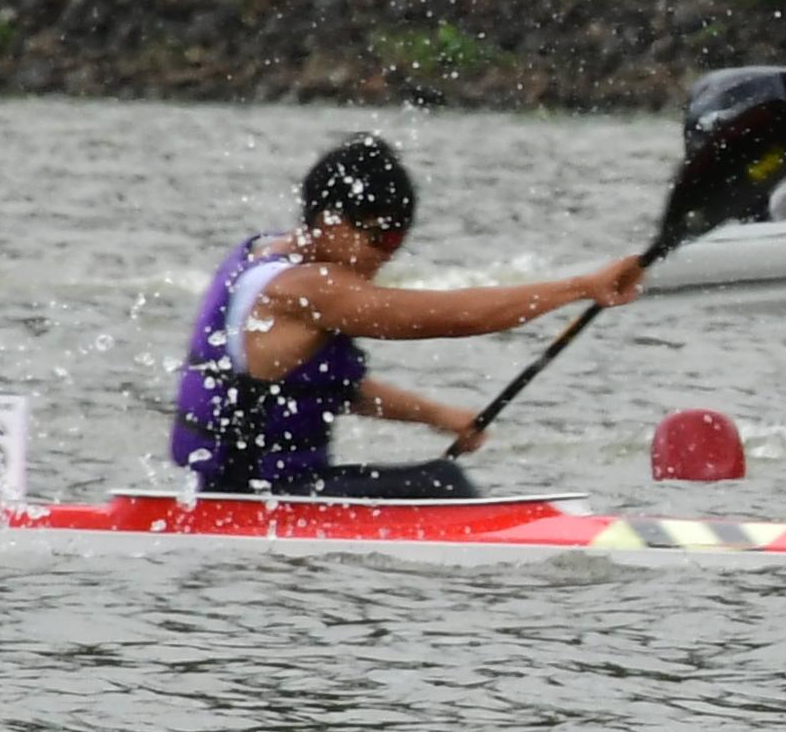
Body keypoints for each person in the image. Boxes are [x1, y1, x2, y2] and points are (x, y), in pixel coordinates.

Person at [170, 136, 643, 500]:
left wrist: (439, 416)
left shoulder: (266, 252)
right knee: (444, 485)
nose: (385, 256)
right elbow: (449, 317)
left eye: (396, 241)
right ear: (331, 221)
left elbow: (326, 386)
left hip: (242, 491)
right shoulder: (306, 288)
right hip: (257, 501)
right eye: (379, 238)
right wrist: (581, 287)